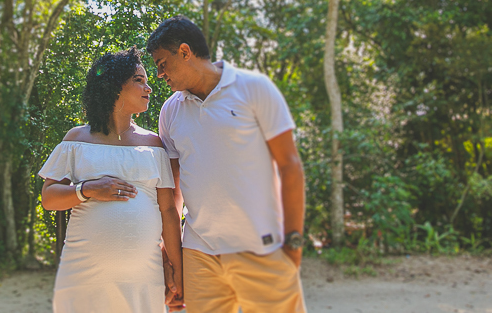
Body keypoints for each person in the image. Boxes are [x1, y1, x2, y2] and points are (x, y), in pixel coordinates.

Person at [149, 16, 307, 313]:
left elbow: (290, 166)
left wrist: (293, 245)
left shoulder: (254, 88)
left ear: (185, 52)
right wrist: (174, 257)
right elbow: (173, 194)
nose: (159, 74)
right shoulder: (170, 111)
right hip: (200, 254)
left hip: (261, 247)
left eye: (162, 64)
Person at [38, 47, 184, 312]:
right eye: (139, 80)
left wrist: (178, 271)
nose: (148, 88)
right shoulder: (76, 140)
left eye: (147, 80)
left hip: (143, 277)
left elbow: (168, 212)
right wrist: (87, 189)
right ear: (113, 87)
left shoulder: (154, 145)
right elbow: (48, 198)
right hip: (83, 276)